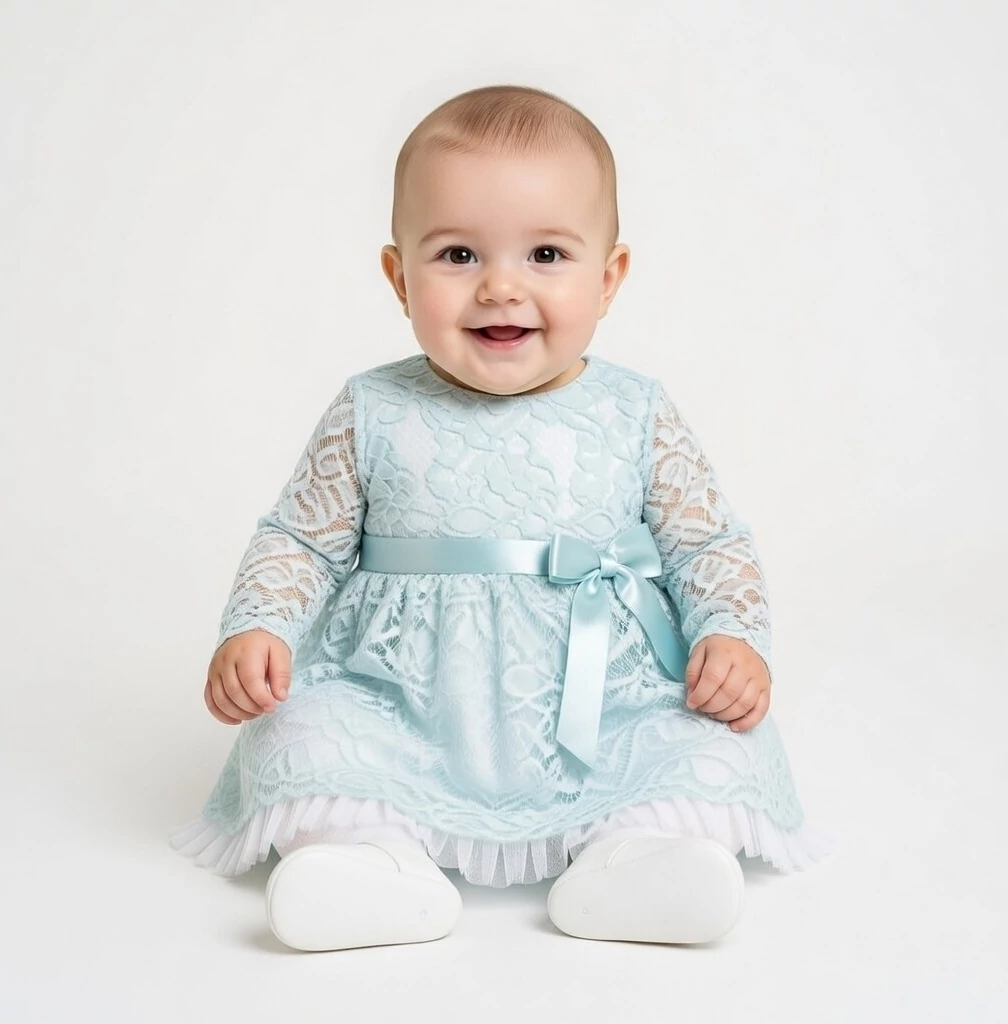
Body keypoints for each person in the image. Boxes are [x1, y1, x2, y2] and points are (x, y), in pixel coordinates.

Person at [170, 83, 832, 952]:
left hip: (608, 705)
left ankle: (638, 858)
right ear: (399, 277)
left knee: (712, 744)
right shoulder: (372, 408)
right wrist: (259, 625)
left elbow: (706, 542)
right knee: (301, 734)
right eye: (457, 255)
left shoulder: (634, 411)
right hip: (400, 705)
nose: (501, 287)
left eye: (547, 254)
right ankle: (370, 861)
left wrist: (730, 635)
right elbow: (300, 540)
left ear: (609, 277)